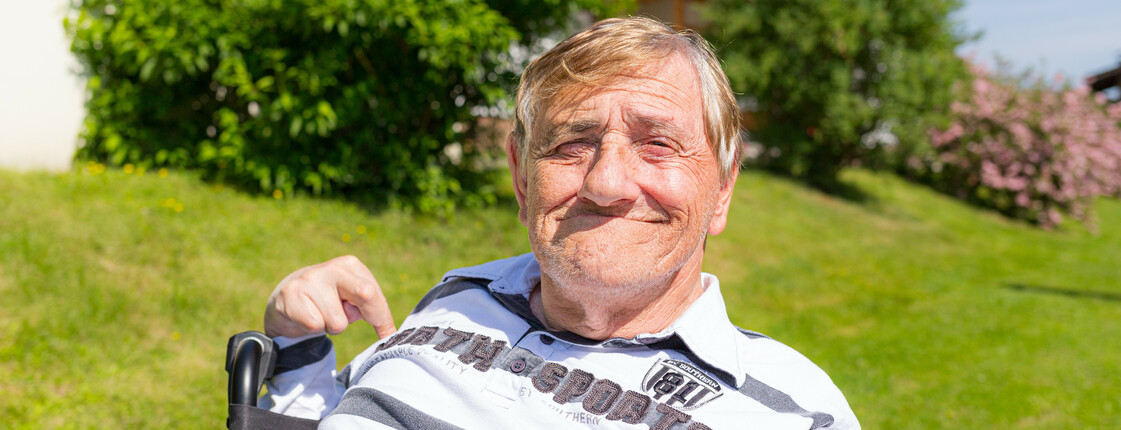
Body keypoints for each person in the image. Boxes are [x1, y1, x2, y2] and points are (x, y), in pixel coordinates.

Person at [261, 17, 860, 429]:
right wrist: (294, 347)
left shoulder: (792, 411)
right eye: (572, 144)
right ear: (523, 180)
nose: (606, 183)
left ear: (722, 189)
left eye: (657, 144)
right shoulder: (459, 295)